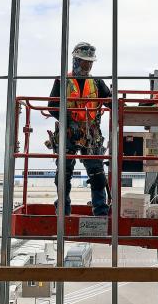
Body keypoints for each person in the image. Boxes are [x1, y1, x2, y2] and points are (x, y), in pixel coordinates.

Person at [48, 42, 112, 216]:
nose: (88, 65)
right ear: (76, 60)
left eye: (90, 62)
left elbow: (110, 101)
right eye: (85, 61)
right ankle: (63, 208)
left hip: (90, 134)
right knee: (64, 173)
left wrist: (124, 106)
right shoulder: (62, 80)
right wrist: (69, 122)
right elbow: (52, 106)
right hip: (69, 133)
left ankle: (100, 211)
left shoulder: (97, 83)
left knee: (97, 173)